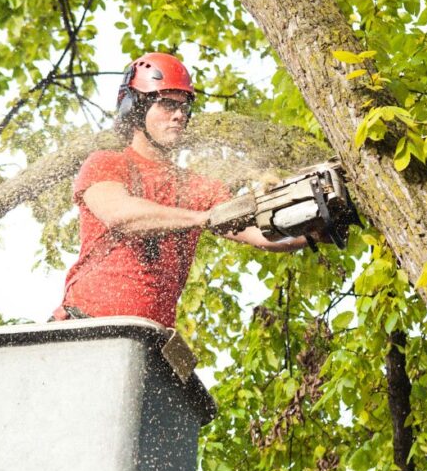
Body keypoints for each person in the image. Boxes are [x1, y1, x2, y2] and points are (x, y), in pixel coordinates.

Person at [52, 53, 312, 328]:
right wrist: (201, 218)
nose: (178, 115)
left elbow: (261, 234)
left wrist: (313, 229)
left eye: (183, 107)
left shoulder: (199, 188)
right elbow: (121, 215)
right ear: (136, 108)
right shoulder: (107, 163)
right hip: (85, 327)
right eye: (166, 104)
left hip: (150, 338)